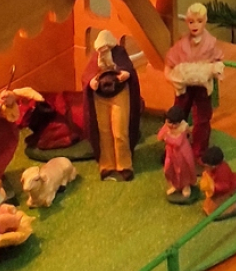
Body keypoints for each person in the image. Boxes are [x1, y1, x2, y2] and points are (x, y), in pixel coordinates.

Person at [163, 1, 225, 158]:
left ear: (205, 21)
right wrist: (170, 77)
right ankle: (174, 147)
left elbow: (218, 60)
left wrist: (216, 70)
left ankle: (200, 150)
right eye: (191, 22)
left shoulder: (210, 44)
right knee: (178, 114)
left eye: (199, 21)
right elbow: (169, 64)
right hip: (184, 86)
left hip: (202, 86)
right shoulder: (181, 44)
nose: (195, 25)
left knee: (202, 118)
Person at [81, 31, 142, 181]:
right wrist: (91, 81)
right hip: (100, 96)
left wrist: (125, 74)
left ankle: (124, 165)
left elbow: (128, 69)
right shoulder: (96, 56)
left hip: (119, 93)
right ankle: (107, 165)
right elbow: (87, 74)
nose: (102, 52)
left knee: (120, 131)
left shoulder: (119, 53)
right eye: (100, 50)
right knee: (104, 131)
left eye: (104, 49)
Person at [155, 101, 200, 206]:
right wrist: (164, 134)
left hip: (182, 153)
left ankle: (185, 186)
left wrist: (167, 138)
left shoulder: (183, 128)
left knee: (183, 169)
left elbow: (178, 142)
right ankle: (175, 185)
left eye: (175, 123)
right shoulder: (167, 126)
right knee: (169, 168)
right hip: (170, 153)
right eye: (170, 122)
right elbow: (159, 136)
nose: (172, 126)